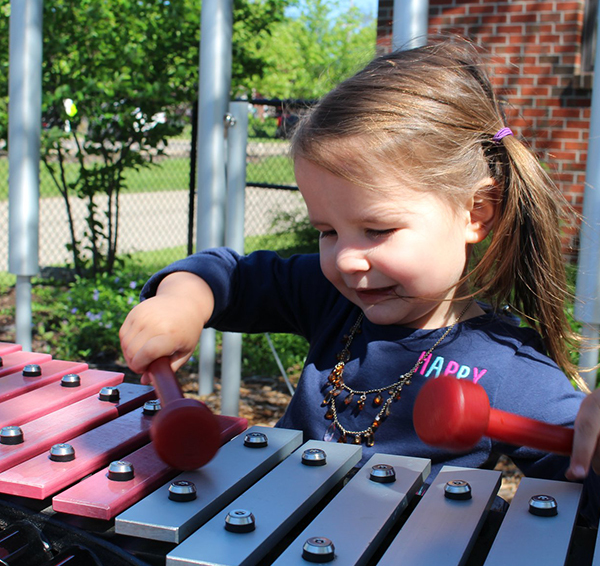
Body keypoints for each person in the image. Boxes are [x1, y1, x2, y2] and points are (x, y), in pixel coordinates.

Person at [120, 37, 600, 522]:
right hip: (261, 534)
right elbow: (233, 275)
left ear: (476, 212)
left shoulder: (505, 367)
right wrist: (183, 301)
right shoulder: (331, 296)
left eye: (378, 230)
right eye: (327, 231)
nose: (347, 259)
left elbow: (583, 465)